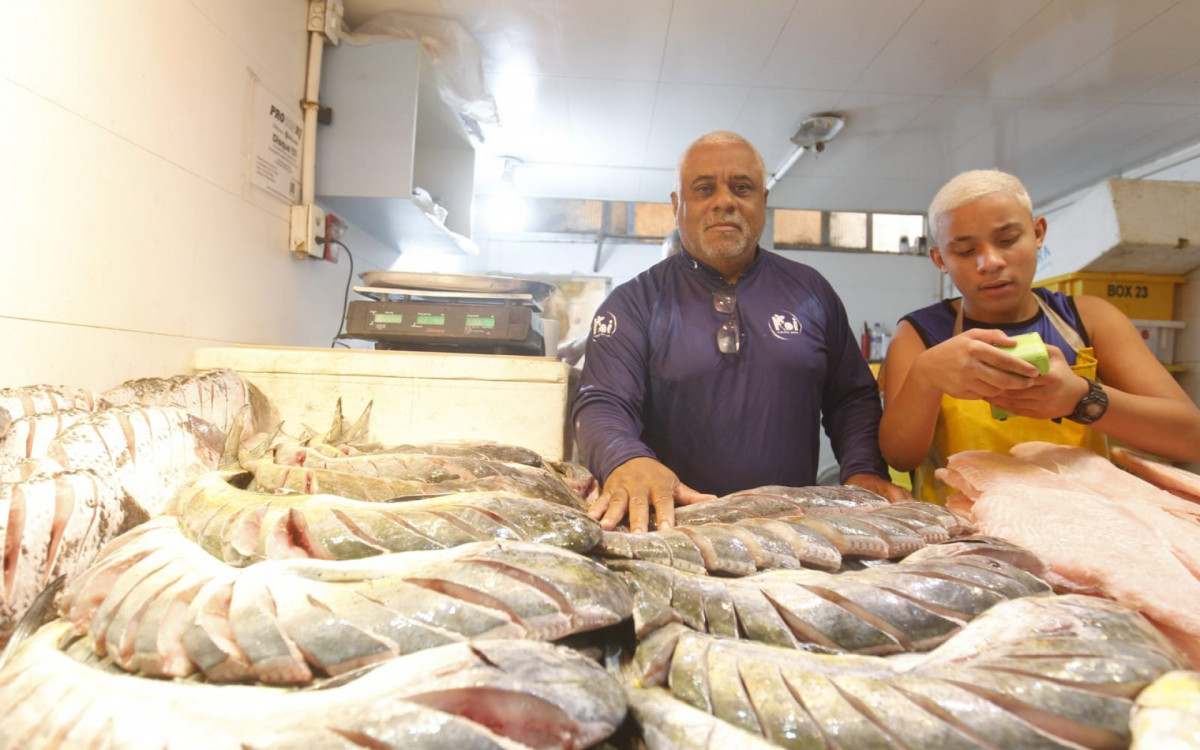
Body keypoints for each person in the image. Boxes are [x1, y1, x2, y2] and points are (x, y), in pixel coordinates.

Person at [572, 130, 909, 533]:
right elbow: (602, 402)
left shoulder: (811, 292)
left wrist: (863, 469)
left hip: (794, 533)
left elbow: (851, 398)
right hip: (672, 529)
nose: (725, 201)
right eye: (704, 188)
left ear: (762, 201)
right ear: (677, 205)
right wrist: (624, 457)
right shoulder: (634, 303)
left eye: (741, 187)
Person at [880, 168, 1200, 504]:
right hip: (963, 535)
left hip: (1082, 526)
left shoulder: (1089, 320)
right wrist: (926, 378)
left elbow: (1190, 437)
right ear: (939, 259)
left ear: (1038, 234)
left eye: (1007, 240)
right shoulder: (919, 335)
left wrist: (1083, 398)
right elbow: (900, 458)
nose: (990, 262)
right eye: (964, 251)